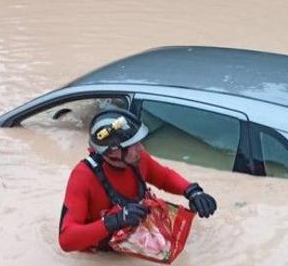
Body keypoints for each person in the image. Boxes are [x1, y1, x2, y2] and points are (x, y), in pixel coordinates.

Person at [58, 108, 217, 252]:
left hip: (134, 243)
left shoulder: (136, 159)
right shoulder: (82, 177)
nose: (140, 148)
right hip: (100, 257)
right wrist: (115, 221)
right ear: (113, 153)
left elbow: (164, 177)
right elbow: (66, 240)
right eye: (133, 144)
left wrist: (193, 192)